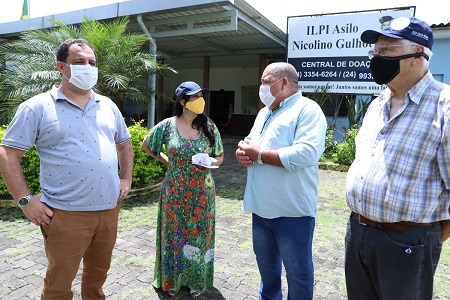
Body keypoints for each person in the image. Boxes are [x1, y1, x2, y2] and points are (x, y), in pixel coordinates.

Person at [0, 38, 134, 299]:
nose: (88, 67)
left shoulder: (107, 105)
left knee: (97, 276)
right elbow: (7, 154)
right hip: (65, 214)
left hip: (108, 210)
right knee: (59, 283)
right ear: (61, 67)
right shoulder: (37, 107)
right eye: (79, 62)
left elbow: (125, 145)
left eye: (92, 63)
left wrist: (126, 178)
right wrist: (26, 201)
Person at [345, 16, 450, 300]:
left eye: (387, 51)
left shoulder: (444, 106)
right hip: (358, 232)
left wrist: (426, 241)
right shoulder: (377, 104)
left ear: (418, 55)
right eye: (375, 52)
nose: (376, 58)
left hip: (408, 242)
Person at [235, 62, 327, 300]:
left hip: (292, 213)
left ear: (283, 82)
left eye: (265, 82)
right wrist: (243, 151)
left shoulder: (308, 109)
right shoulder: (265, 112)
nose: (261, 87)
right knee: (268, 272)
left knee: (298, 275)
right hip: (261, 209)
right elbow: (251, 141)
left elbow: (307, 153)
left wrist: (260, 156)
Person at [142, 81, 224, 297]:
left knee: (199, 236)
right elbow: (147, 145)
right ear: (182, 101)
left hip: (202, 192)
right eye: (195, 97)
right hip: (175, 191)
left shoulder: (209, 127)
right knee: (174, 235)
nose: (200, 101)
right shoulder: (167, 126)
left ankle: (196, 280)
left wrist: (210, 163)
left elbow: (220, 155)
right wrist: (168, 161)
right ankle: (171, 281)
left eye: (201, 96)